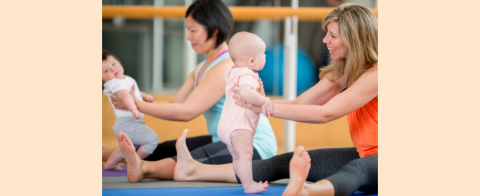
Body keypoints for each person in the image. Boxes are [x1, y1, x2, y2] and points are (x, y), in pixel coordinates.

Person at [164, 3, 378, 196]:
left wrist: (265, 105)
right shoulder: (344, 71)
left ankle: (306, 192)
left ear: (353, 39)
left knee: (357, 170)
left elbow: (325, 113)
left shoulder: (377, 74)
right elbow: (300, 104)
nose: (325, 40)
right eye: (326, 34)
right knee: (283, 161)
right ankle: (193, 169)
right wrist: (259, 103)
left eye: (332, 35)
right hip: (364, 153)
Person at [108, 0, 277, 183]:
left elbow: (186, 112)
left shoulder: (227, 67)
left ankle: (144, 169)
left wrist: (136, 104)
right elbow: (175, 105)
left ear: (214, 30)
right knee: (163, 148)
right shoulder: (201, 69)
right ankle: (108, 153)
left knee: (190, 158)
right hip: (220, 139)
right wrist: (137, 99)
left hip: (253, 146)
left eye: (193, 30)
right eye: (188, 30)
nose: (188, 37)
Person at [216, 32, 273, 193]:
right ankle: (249, 185)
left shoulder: (233, 71)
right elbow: (246, 93)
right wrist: (264, 101)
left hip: (226, 126)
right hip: (240, 126)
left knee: (237, 157)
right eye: (263, 54)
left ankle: (244, 182)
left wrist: (260, 95)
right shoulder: (247, 74)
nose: (265, 57)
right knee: (246, 155)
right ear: (252, 61)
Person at [102, 50, 158, 170]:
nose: (112, 69)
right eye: (106, 71)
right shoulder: (115, 83)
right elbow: (125, 96)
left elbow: (133, 92)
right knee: (152, 140)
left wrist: (144, 96)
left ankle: (110, 165)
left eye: (113, 64)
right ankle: (134, 165)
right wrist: (134, 109)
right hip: (129, 122)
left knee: (126, 148)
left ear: (120, 63)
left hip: (123, 124)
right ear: (102, 80)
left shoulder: (125, 79)